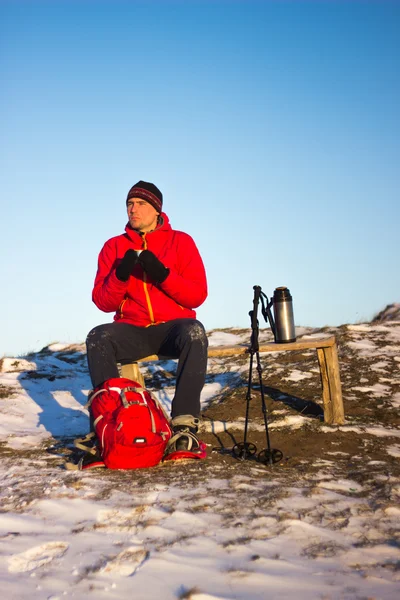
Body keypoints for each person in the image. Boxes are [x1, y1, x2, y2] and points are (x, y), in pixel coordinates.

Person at [86, 180, 208, 453]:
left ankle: (185, 425)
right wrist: (121, 274)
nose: (133, 209)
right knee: (98, 337)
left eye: (140, 204)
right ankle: (109, 422)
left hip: (172, 329)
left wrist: (162, 274)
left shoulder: (182, 242)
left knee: (195, 332)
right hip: (133, 330)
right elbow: (103, 302)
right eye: (129, 204)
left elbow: (196, 295)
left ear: (157, 209)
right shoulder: (113, 247)